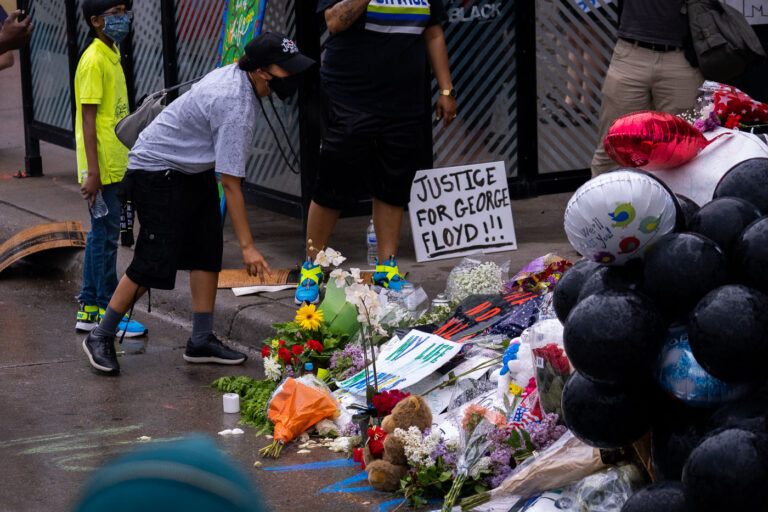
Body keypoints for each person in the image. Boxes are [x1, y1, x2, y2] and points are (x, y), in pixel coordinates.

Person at [81, 32, 315, 374]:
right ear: (263, 71)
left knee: (207, 251)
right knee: (154, 261)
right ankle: (100, 335)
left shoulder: (242, 78)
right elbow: (231, 185)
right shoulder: (235, 104)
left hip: (192, 168)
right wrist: (248, 248)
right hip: (156, 170)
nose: (292, 78)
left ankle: (201, 339)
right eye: (287, 70)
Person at [295, 0, 458, 304]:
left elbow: (433, 33)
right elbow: (333, 22)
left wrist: (446, 89)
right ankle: (312, 267)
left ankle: (386, 267)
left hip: (405, 101)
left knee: (392, 184)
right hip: (350, 98)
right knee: (333, 182)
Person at [74, 0, 148, 338]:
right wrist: (93, 173)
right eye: (115, 14)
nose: (123, 19)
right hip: (101, 169)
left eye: (123, 12)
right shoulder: (93, 61)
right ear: (96, 21)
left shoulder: (111, 54)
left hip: (114, 165)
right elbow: (88, 119)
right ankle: (104, 310)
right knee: (103, 238)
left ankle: (91, 307)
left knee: (102, 237)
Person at [590, 0, 704, 176]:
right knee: (613, 146)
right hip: (631, 52)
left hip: (681, 56)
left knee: (682, 149)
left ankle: (676, 202)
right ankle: (601, 202)